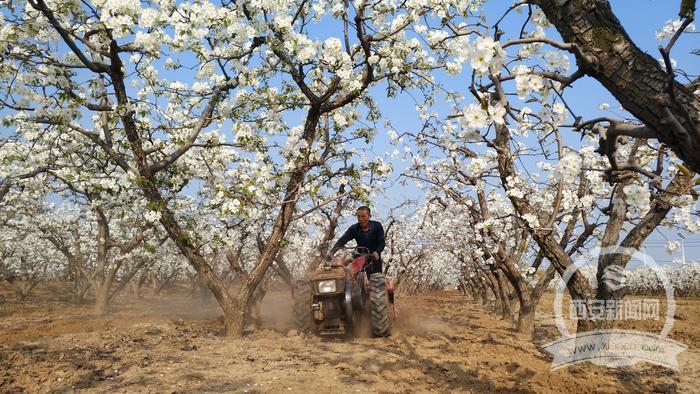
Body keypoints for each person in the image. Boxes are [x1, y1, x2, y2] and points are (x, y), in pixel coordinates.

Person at [329, 206, 385, 276]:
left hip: (374, 257)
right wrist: (331, 253)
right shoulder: (354, 228)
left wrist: (377, 251)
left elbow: (382, 242)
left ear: (369, 216)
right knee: (348, 272)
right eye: (359, 217)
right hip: (359, 256)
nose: (361, 219)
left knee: (376, 278)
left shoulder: (377, 226)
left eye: (363, 216)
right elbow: (342, 241)